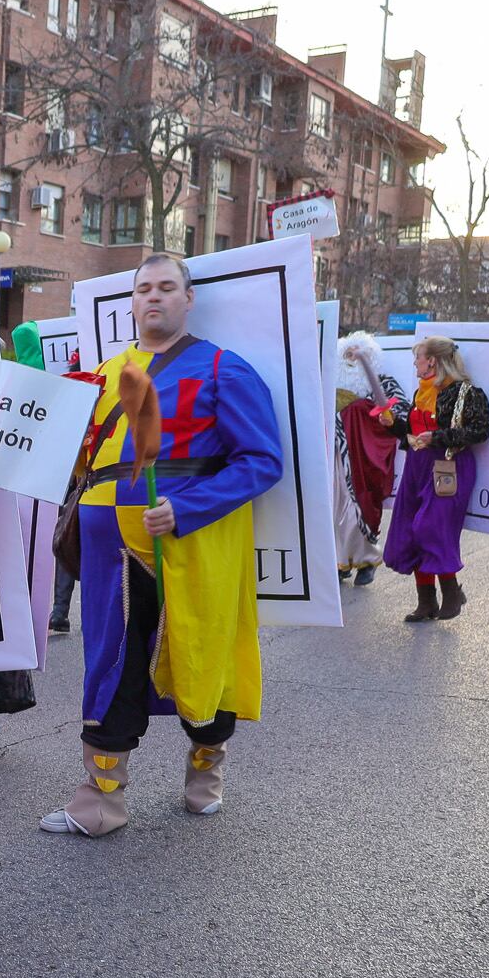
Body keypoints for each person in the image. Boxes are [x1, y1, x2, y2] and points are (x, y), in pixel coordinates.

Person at [42, 254, 283, 837]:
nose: (154, 297)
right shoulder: (104, 372)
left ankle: (206, 768)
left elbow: (262, 461)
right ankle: (100, 797)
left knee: (201, 653)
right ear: (131, 300)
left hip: (189, 544)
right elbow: (79, 457)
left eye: (167, 287)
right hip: (107, 546)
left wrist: (187, 508)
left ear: (187, 297)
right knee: (110, 663)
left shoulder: (225, 369)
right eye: (144, 288)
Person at [379, 335, 489, 622]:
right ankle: (426, 601)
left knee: (430, 528)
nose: (415, 363)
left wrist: (439, 437)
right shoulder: (421, 393)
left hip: (448, 467)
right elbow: (415, 437)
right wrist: (394, 426)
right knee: (409, 531)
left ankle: (452, 592)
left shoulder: (466, 393)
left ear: (432, 361)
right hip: (417, 467)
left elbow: (481, 430)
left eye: (418, 357)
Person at [332, 333, 403, 586]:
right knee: (332, 508)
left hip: (362, 458)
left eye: (357, 354)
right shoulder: (327, 380)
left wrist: (360, 412)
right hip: (332, 456)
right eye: (347, 354)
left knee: (357, 509)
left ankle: (366, 561)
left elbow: (398, 413)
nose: (351, 359)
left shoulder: (382, 383)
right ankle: (340, 561)